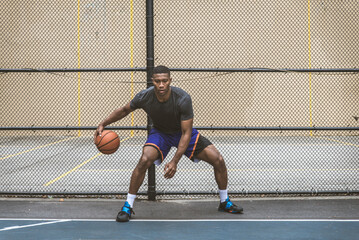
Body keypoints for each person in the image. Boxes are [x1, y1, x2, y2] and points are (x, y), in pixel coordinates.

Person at [94, 65, 243, 222]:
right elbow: (124, 110)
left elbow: (186, 133)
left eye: (164, 81)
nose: (161, 85)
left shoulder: (182, 98)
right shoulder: (145, 96)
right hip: (160, 133)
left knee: (217, 159)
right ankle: (128, 206)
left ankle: (224, 201)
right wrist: (103, 124)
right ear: (152, 81)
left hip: (183, 133)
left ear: (170, 80)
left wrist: (174, 161)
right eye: (157, 81)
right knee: (144, 160)